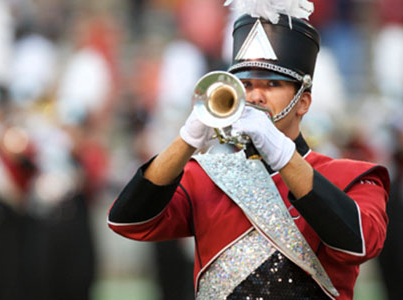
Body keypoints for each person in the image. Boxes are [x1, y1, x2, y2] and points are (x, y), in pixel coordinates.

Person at [108, 2, 389, 299]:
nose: (255, 96)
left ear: (303, 102)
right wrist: (187, 140)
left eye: (272, 84)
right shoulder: (206, 176)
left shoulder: (352, 176)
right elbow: (127, 221)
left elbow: (360, 242)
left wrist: (282, 155)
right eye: (247, 84)